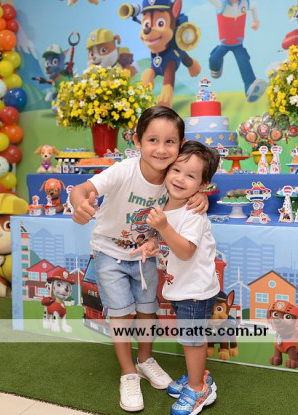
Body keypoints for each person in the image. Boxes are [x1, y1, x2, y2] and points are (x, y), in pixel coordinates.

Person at [70, 106, 208, 412]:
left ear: (181, 144)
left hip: (145, 253)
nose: (161, 149)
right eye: (152, 140)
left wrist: (201, 195)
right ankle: (128, 373)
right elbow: (82, 189)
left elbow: (195, 183)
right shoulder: (124, 170)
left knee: (148, 309)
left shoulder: (174, 177)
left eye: (170, 142)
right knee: (121, 314)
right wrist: (79, 203)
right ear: (137, 141)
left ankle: (145, 359)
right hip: (109, 252)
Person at [133, 141, 220, 415]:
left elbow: (185, 250)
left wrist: (162, 228)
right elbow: (167, 242)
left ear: (203, 185)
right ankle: (199, 376)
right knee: (190, 339)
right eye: (176, 170)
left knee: (191, 340)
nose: (180, 179)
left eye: (190, 175)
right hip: (181, 287)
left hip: (195, 290)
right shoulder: (165, 205)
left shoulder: (193, 213)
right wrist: (153, 242)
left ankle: (197, 388)